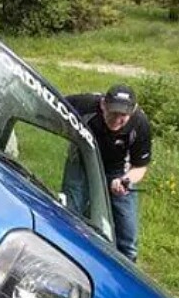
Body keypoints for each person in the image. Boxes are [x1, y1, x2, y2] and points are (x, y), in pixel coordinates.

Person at [64, 84, 151, 261]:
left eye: (123, 115)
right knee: (70, 214)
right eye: (113, 112)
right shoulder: (85, 104)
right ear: (103, 104)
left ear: (133, 110)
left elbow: (140, 166)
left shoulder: (140, 124)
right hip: (82, 162)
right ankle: (67, 254)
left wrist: (126, 181)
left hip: (118, 171)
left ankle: (127, 269)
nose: (117, 119)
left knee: (128, 235)